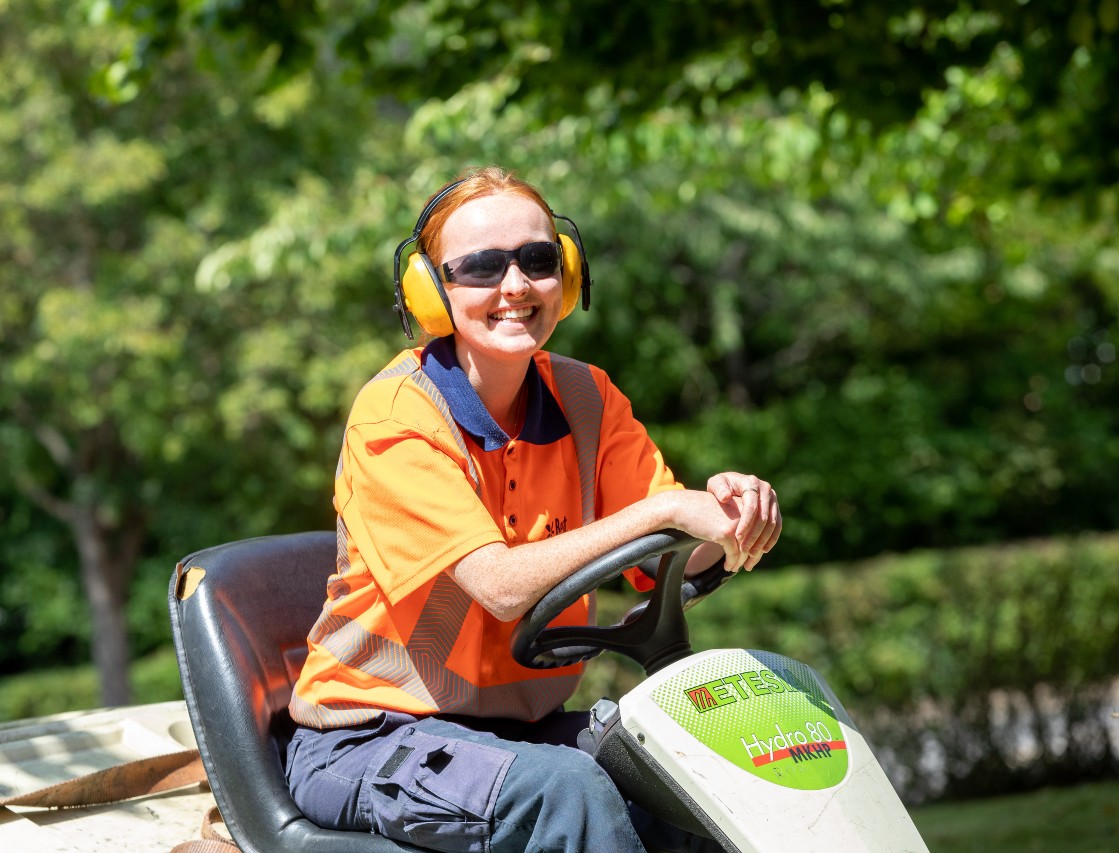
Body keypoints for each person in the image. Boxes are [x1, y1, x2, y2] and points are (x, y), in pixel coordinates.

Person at [284, 166, 782, 853]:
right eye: (483, 267)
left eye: (538, 260)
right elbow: (499, 586)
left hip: (513, 736)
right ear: (432, 292)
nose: (515, 286)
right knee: (565, 790)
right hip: (369, 737)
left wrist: (730, 519)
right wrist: (661, 510)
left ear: (567, 274)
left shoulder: (588, 399)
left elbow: (665, 557)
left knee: (693, 770)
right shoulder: (396, 418)